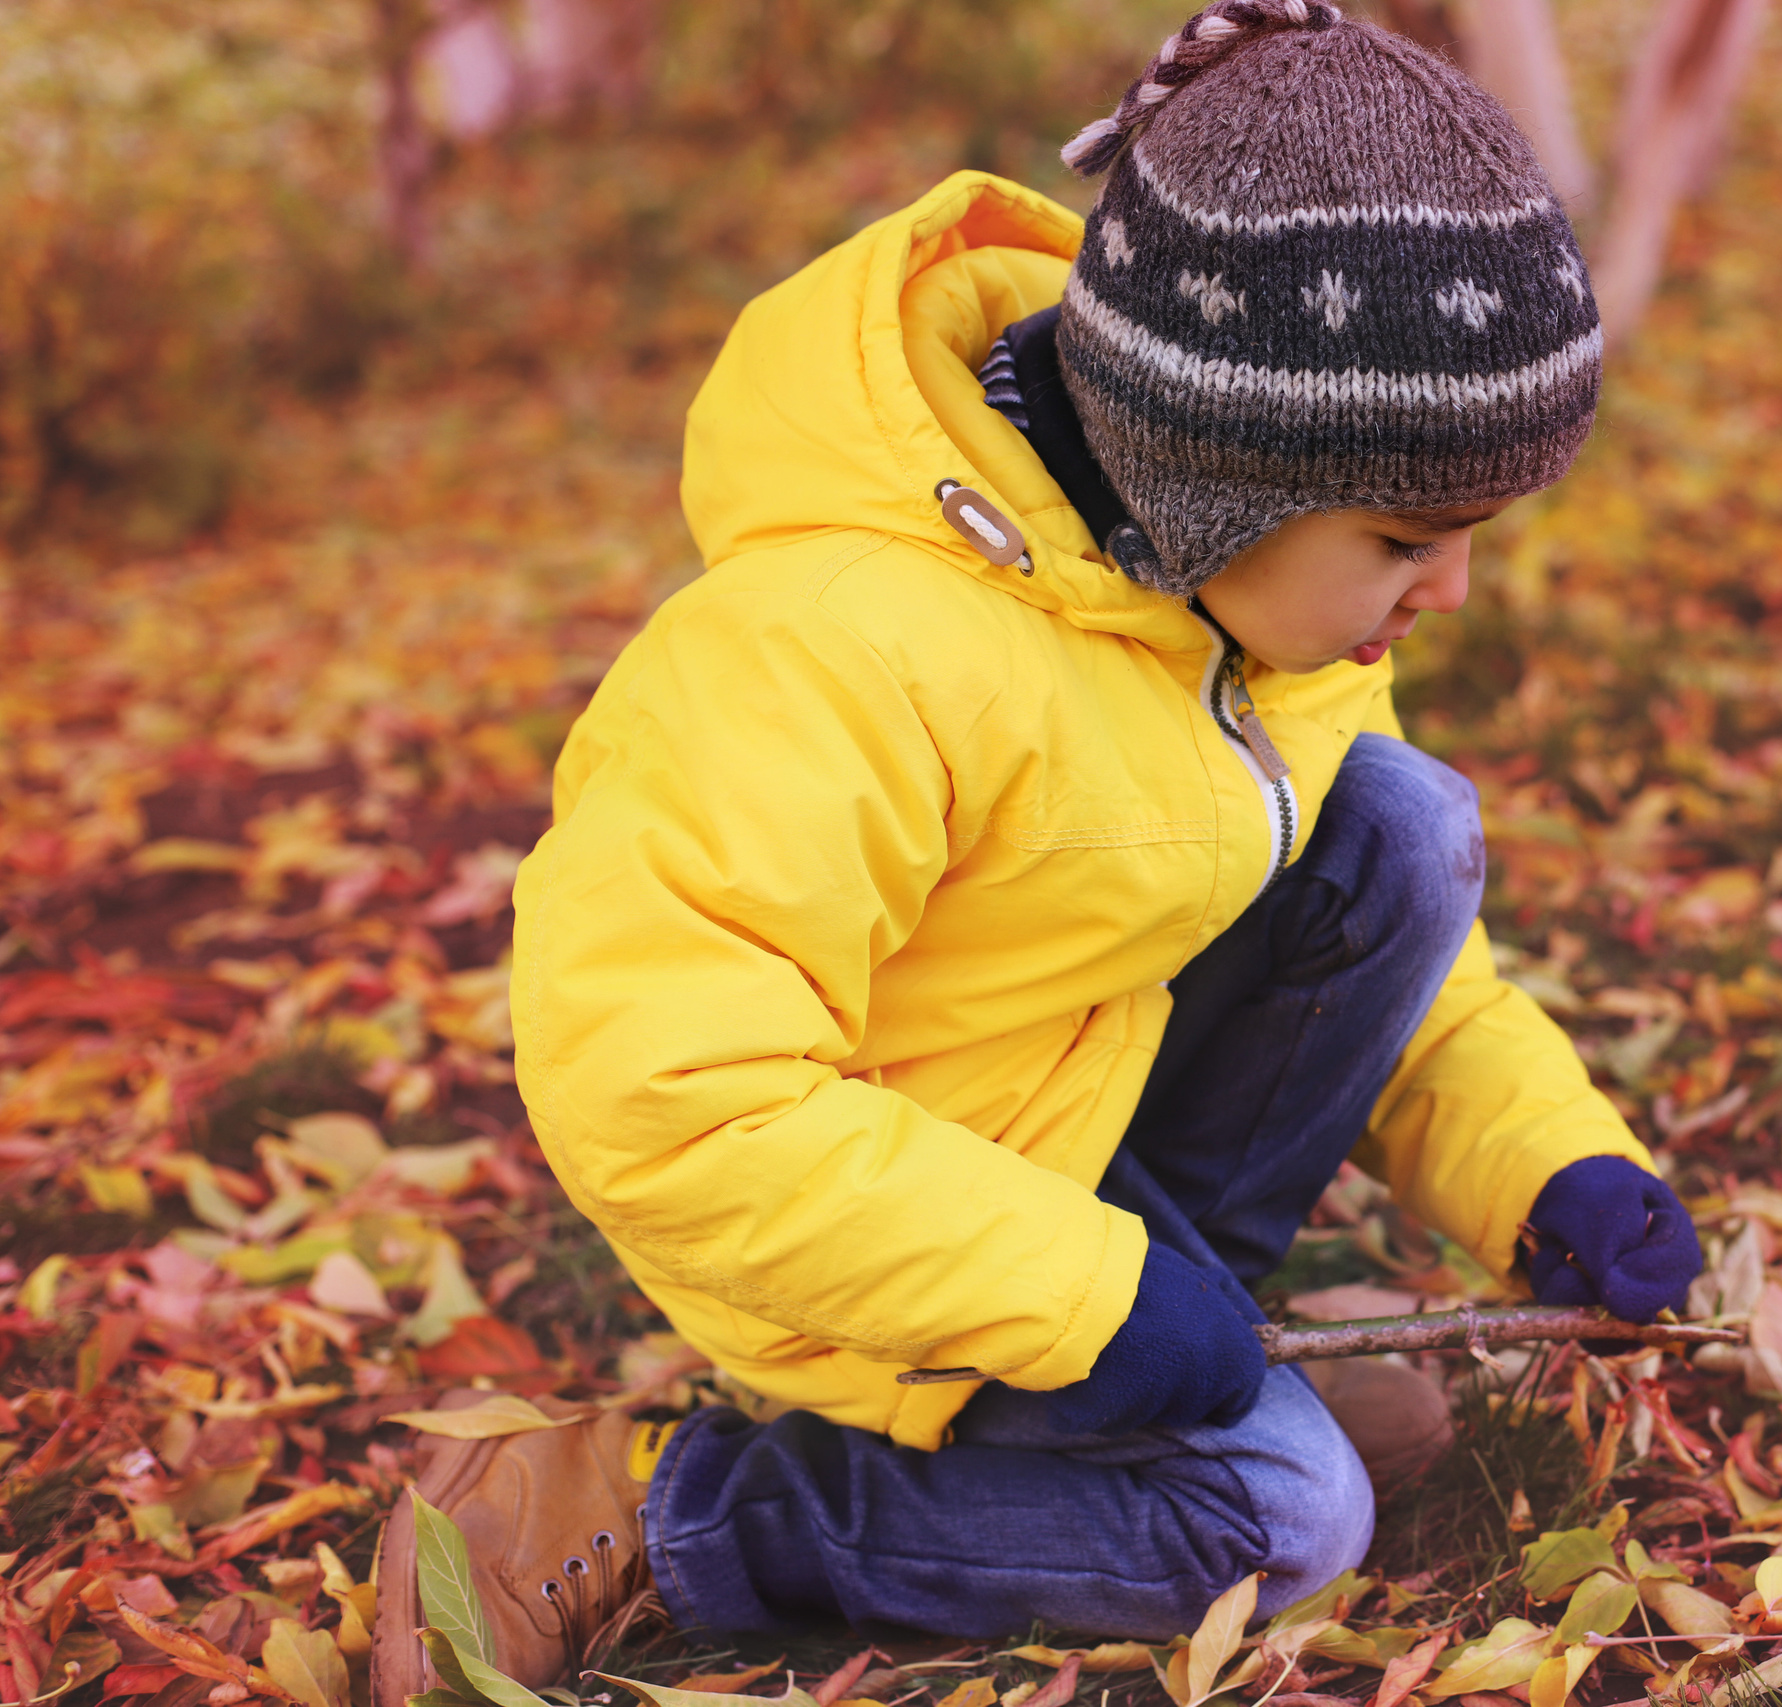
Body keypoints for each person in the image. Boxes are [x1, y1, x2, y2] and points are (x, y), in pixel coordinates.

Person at [371, 3, 1704, 1696]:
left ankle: (1149, 1415)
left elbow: (1386, 948)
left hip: (1071, 1129)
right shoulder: (836, 650)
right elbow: (675, 1101)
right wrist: (1081, 1296)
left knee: (1404, 823)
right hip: (879, 1242)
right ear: (1217, 468)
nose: (1449, 595)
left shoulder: (1229, 604)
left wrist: (1544, 1167)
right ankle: (669, 1505)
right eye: (1405, 538)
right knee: (1288, 1532)